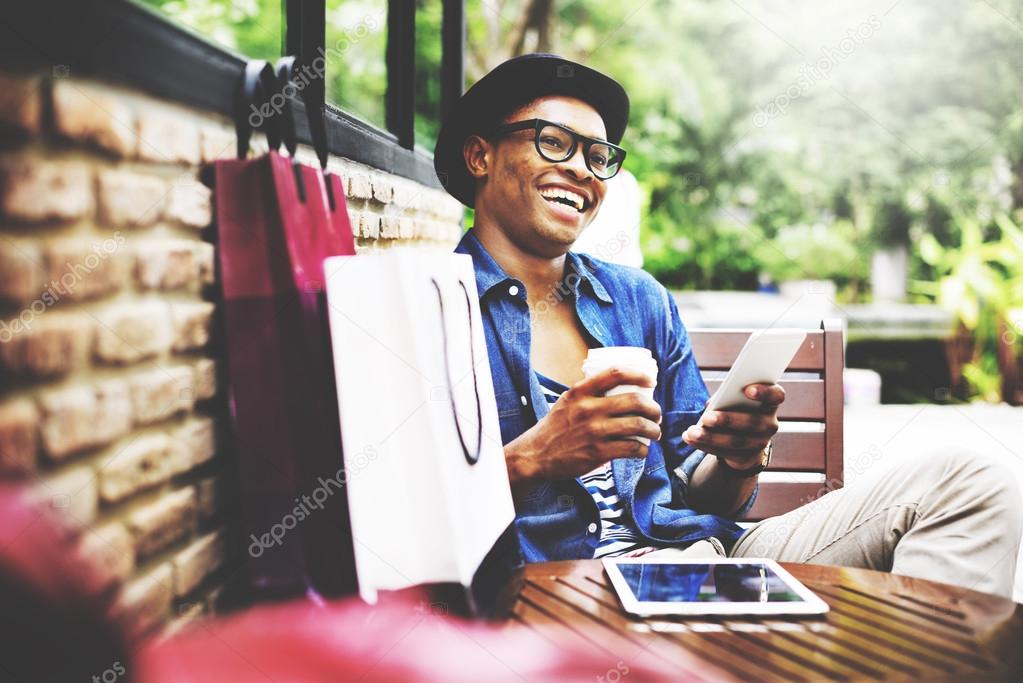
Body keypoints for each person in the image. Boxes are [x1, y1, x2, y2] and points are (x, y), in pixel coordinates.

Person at [434, 53, 1023, 599]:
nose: (583, 171)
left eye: (598, 155)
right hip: (547, 587)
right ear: (479, 156)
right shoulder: (430, 307)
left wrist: (737, 457)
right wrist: (535, 456)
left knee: (971, 483)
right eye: (553, 142)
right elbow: (392, 515)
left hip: (701, 564)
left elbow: (700, 492)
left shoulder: (638, 300)